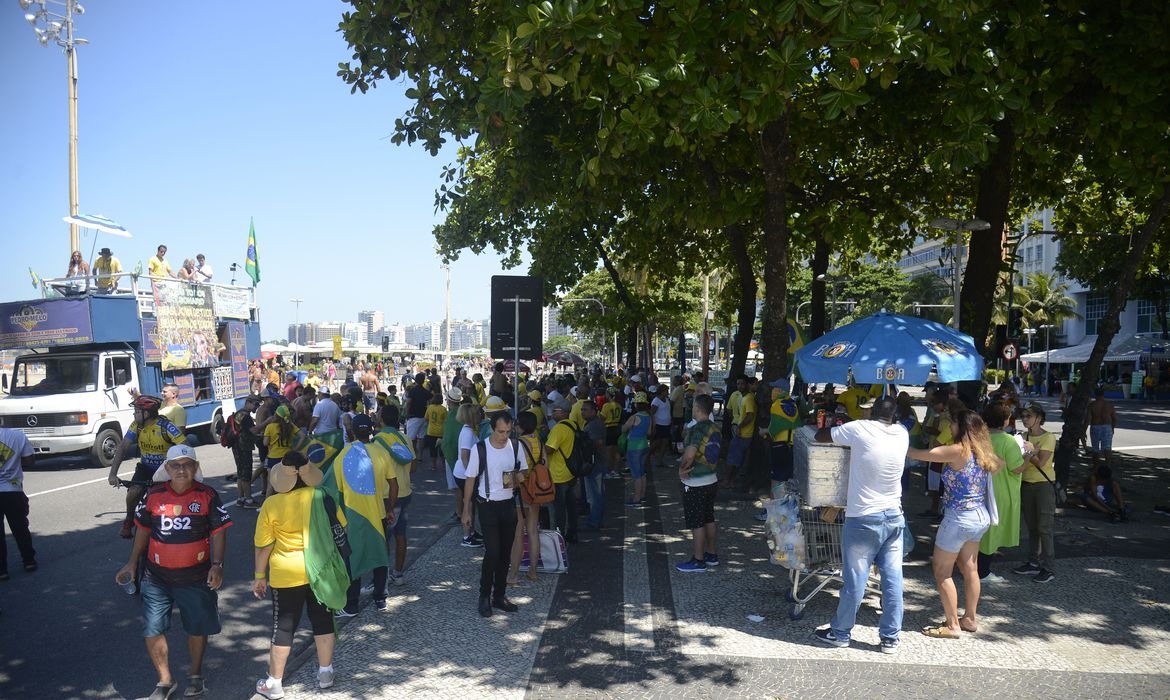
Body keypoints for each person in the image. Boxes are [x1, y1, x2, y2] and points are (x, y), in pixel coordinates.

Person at [115, 444, 230, 700]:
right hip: (156, 578)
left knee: (196, 627)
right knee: (152, 629)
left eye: (187, 464)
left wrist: (217, 565)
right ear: (166, 469)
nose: (181, 469)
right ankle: (165, 681)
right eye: (175, 465)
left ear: (195, 468)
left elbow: (219, 531)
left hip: (196, 577)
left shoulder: (207, 495)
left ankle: (195, 676)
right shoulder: (153, 494)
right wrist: (132, 562)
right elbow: (143, 529)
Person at [811, 396, 907, 654]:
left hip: (864, 518)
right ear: (893, 415)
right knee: (893, 578)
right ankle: (890, 638)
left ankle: (840, 633)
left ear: (871, 412)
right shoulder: (902, 433)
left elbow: (822, 436)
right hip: (894, 517)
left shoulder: (858, 428)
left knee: (855, 579)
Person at [908, 410, 1004, 639]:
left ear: (962, 426)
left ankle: (952, 625)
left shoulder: (957, 450)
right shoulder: (983, 453)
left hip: (958, 518)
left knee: (942, 572)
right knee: (970, 568)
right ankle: (970, 619)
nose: (949, 425)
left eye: (952, 422)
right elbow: (1001, 464)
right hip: (979, 517)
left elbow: (919, 454)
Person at [252, 453, 337, 699]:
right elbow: (341, 528)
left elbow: (264, 545)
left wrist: (259, 576)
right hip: (320, 571)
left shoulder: (272, 505)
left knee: (284, 627)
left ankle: (274, 684)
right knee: (323, 620)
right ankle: (325, 673)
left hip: (286, 574)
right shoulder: (323, 497)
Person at [463, 410, 528, 617]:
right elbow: (470, 479)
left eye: (508, 431)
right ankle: (484, 596)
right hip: (487, 505)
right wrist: (466, 511)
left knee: (505, 554)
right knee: (492, 553)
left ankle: (499, 596)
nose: (504, 436)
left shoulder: (516, 446)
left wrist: (520, 476)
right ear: (492, 428)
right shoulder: (480, 449)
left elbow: (524, 472)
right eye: (501, 431)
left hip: (508, 504)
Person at [332, 414, 396, 616]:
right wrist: (390, 508)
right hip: (378, 513)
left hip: (354, 515)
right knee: (380, 555)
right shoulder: (381, 452)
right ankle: (381, 598)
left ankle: (351, 605)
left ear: (352, 431)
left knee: (353, 559)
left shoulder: (344, 454)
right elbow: (393, 484)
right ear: (372, 430)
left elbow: (335, 489)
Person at [108, 394, 186, 539]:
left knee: (175, 499)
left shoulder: (166, 427)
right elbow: (123, 447)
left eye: (137, 412)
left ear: (147, 413)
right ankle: (129, 520)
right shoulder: (136, 426)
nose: (134, 414)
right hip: (145, 468)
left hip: (165, 470)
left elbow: (185, 448)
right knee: (133, 492)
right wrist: (113, 473)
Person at [977, 402, 1024, 583]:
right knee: (992, 531)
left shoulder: (981, 438)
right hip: (1000, 491)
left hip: (979, 489)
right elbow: (1017, 468)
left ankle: (974, 566)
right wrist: (1027, 456)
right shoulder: (1008, 441)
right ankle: (983, 572)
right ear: (1005, 421)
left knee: (980, 530)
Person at [676, 394, 721, 572]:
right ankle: (711, 554)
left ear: (697, 408)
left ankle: (698, 559)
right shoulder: (715, 427)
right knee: (708, 517)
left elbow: (689, 455)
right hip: (712, 479)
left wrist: (681, 469)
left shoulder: (697, 429)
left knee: (697, 522)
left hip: (696, 481)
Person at [1014, 402, 1057, 583]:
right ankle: (1033, 561)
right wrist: (1031, 453)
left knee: (1044, 527)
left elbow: (1041, 462)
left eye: (1028, 416)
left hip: (1043, 486)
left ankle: (1048, 567)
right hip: (1026, 484)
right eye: (1023, 416)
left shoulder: (1048, 437)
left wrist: (1030, 453)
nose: (1024, 419)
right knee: (1032, 527)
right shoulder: (1022, 436)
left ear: (1039, 418)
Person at [375, 404, 415, 586]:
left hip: (386, 495)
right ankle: (398, 573)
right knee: (401, 534)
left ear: (382, 419)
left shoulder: (377, 441)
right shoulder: (405, 438)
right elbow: (413, 466)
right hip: (405, 491)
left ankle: (380, 580)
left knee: (383, 538)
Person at [509, 411, 543, 585]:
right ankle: (533, 571)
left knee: (518, 534)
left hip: (522, 491)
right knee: (532, 531)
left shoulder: (518, 444)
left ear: (521, 426)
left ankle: (513, 574)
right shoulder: (539, 441)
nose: (514, 426)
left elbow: (513, 469)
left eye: (516, 424)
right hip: (537, 491)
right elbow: (544, 464)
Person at [0, 426, 37, 580]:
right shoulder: (17, 436)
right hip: (12, 489)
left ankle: (2, 570)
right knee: (20, 527)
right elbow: (29, 460)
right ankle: (29, 561)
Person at [546, 398, 580, 543]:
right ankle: (572, 532)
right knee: (571, 506)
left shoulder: (558, 428)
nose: (552, 412)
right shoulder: (573, 424)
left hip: (559, 474)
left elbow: (549, 449)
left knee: (559, 509)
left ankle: (559, 537)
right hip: (572, 471)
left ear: (564, 412)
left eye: (555, 410)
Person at [455, 403, 485, 548]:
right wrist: (471, 475)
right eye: (478, 413)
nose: (480, 416)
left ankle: (471, 532)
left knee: (471, 504)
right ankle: (467, 536)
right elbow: (465, 455)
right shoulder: (467, 433)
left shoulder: (468, 430)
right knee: (469, 505)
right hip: (464, 474)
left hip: (464, 472)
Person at [579, 400, 607, 530]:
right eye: (582, 409)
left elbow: (599, 444)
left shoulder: (594, 425)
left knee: (596, 495)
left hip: (595, 464)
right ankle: (596, 520)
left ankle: (594, 522)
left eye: (585, 409)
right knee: (594, 494)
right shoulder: (592, 423)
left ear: (593, 411)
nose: (582, 412)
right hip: (594, 464)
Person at [621, 392, 652, 506]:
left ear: (636, 405)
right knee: (642, 472)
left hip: (634, 447)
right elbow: (649, 433)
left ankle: (636, 499)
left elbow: (624, 429)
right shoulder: (648, 417)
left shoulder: (634, 417)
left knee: (636, 474)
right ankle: (642, 495)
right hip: (644, 445)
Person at [231, 396, 262, 509]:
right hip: (243, 447)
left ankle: (241, 498)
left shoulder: (239, 413)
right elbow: (253, 430)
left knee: (240, 473)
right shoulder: (245, 416)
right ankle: (248, 500)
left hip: (236, 446)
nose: (257, 407)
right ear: (248, 402)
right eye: (255, 404)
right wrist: (267, 422)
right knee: (246, 474)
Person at [262, 405, 296, 497]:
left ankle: (267, 505)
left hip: (274, 457)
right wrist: (295, 448)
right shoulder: (290, 426)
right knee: (287, 482)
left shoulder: (270, 427)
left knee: (271, 483)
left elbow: (265, 443)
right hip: (287, 456)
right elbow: (302, 436)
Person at [1082, 456, 1129, 522]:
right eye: (1103, 480)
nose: (1104, 481)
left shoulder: (1109, 480)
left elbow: (1114, 490)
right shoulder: (1093, 479)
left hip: (1105, 499)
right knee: (1085, 497)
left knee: (1115, 484)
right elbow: (1095, 496)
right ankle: (1110, 513)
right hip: (1095, 502)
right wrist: (1109, 509)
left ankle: (1121, 510)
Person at [1087, 388, 1117, 457]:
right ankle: (1108, 466)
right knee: (1107, 449)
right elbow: (1114, 419)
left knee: (1095, 449)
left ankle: (1095, 467)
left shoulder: (1092, 405)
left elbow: (1087, 420)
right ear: (1103, 394)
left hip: (1095, 426)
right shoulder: (1109, 405)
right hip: (1107, 427)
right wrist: (1112, 428)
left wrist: (1083, 430)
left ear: (1095, 395)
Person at [423, 392, 447, 471]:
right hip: (441, 431)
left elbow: (426, 418)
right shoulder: (443, 409)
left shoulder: (429, 407)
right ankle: (443, 465)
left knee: (432, 449)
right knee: (442, 449)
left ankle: (433, 465)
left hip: (431, 431)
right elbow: (446, 420)